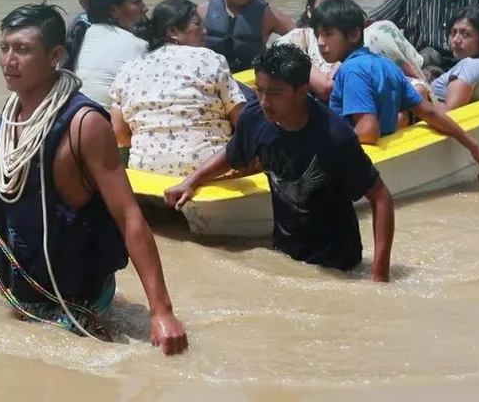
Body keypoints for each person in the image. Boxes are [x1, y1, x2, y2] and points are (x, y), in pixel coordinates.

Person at [0, 2, 188, 355]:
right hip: (20, 291)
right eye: (4, 48)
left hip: (77, 302)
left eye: (22, 49)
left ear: (55, 55)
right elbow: (16, 184)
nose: (9, 60)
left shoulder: (86, 125)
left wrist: (162, 312)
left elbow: (129, 217)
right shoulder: (12, 116)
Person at [162, 45, 396, 281]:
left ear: (302, 92)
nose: (264, 101)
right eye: (260, 90)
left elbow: (381, 197)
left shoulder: (335, 136)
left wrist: (380, 274)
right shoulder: (254, 117)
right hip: (284, 257)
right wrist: (191, 181)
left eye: (275, 93)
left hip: (338, 265)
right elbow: (233, 154)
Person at [309, 0, 479, 176]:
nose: (320, 43)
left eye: (328, 34)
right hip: (389, 155)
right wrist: (474, 146)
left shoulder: (352, 71)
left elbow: (367, 132)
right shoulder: (386, 64)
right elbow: (430, 112)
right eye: (317, 35)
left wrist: (321, 141)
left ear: (354, 34)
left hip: (361, 164)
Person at [108, 0, 247, 177]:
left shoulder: (128, 69)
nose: (205, 31)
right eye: (197, 25)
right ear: (173, 31)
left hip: (147, 174)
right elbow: (243, 121)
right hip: (211, 172)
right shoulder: (210, 59)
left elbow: (118, 133)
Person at [277, 0, 433, 101]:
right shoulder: (295, 39)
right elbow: (325, 89)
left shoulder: (367, 37)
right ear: (310, 12)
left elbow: (411, 77)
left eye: (340, 3)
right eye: (326, 3)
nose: (332, 10)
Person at [63, 0, 149, 107]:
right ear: (114, 11)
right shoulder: (138, 46)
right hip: (105, 123)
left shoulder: (83, 34)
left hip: (74, 117)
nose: (145, 8)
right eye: (136, 2)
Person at [198, 0, 296, 72]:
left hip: (250, 84)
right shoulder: (202, 12)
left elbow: (303, 36)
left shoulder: (268, 15)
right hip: (212, 82)